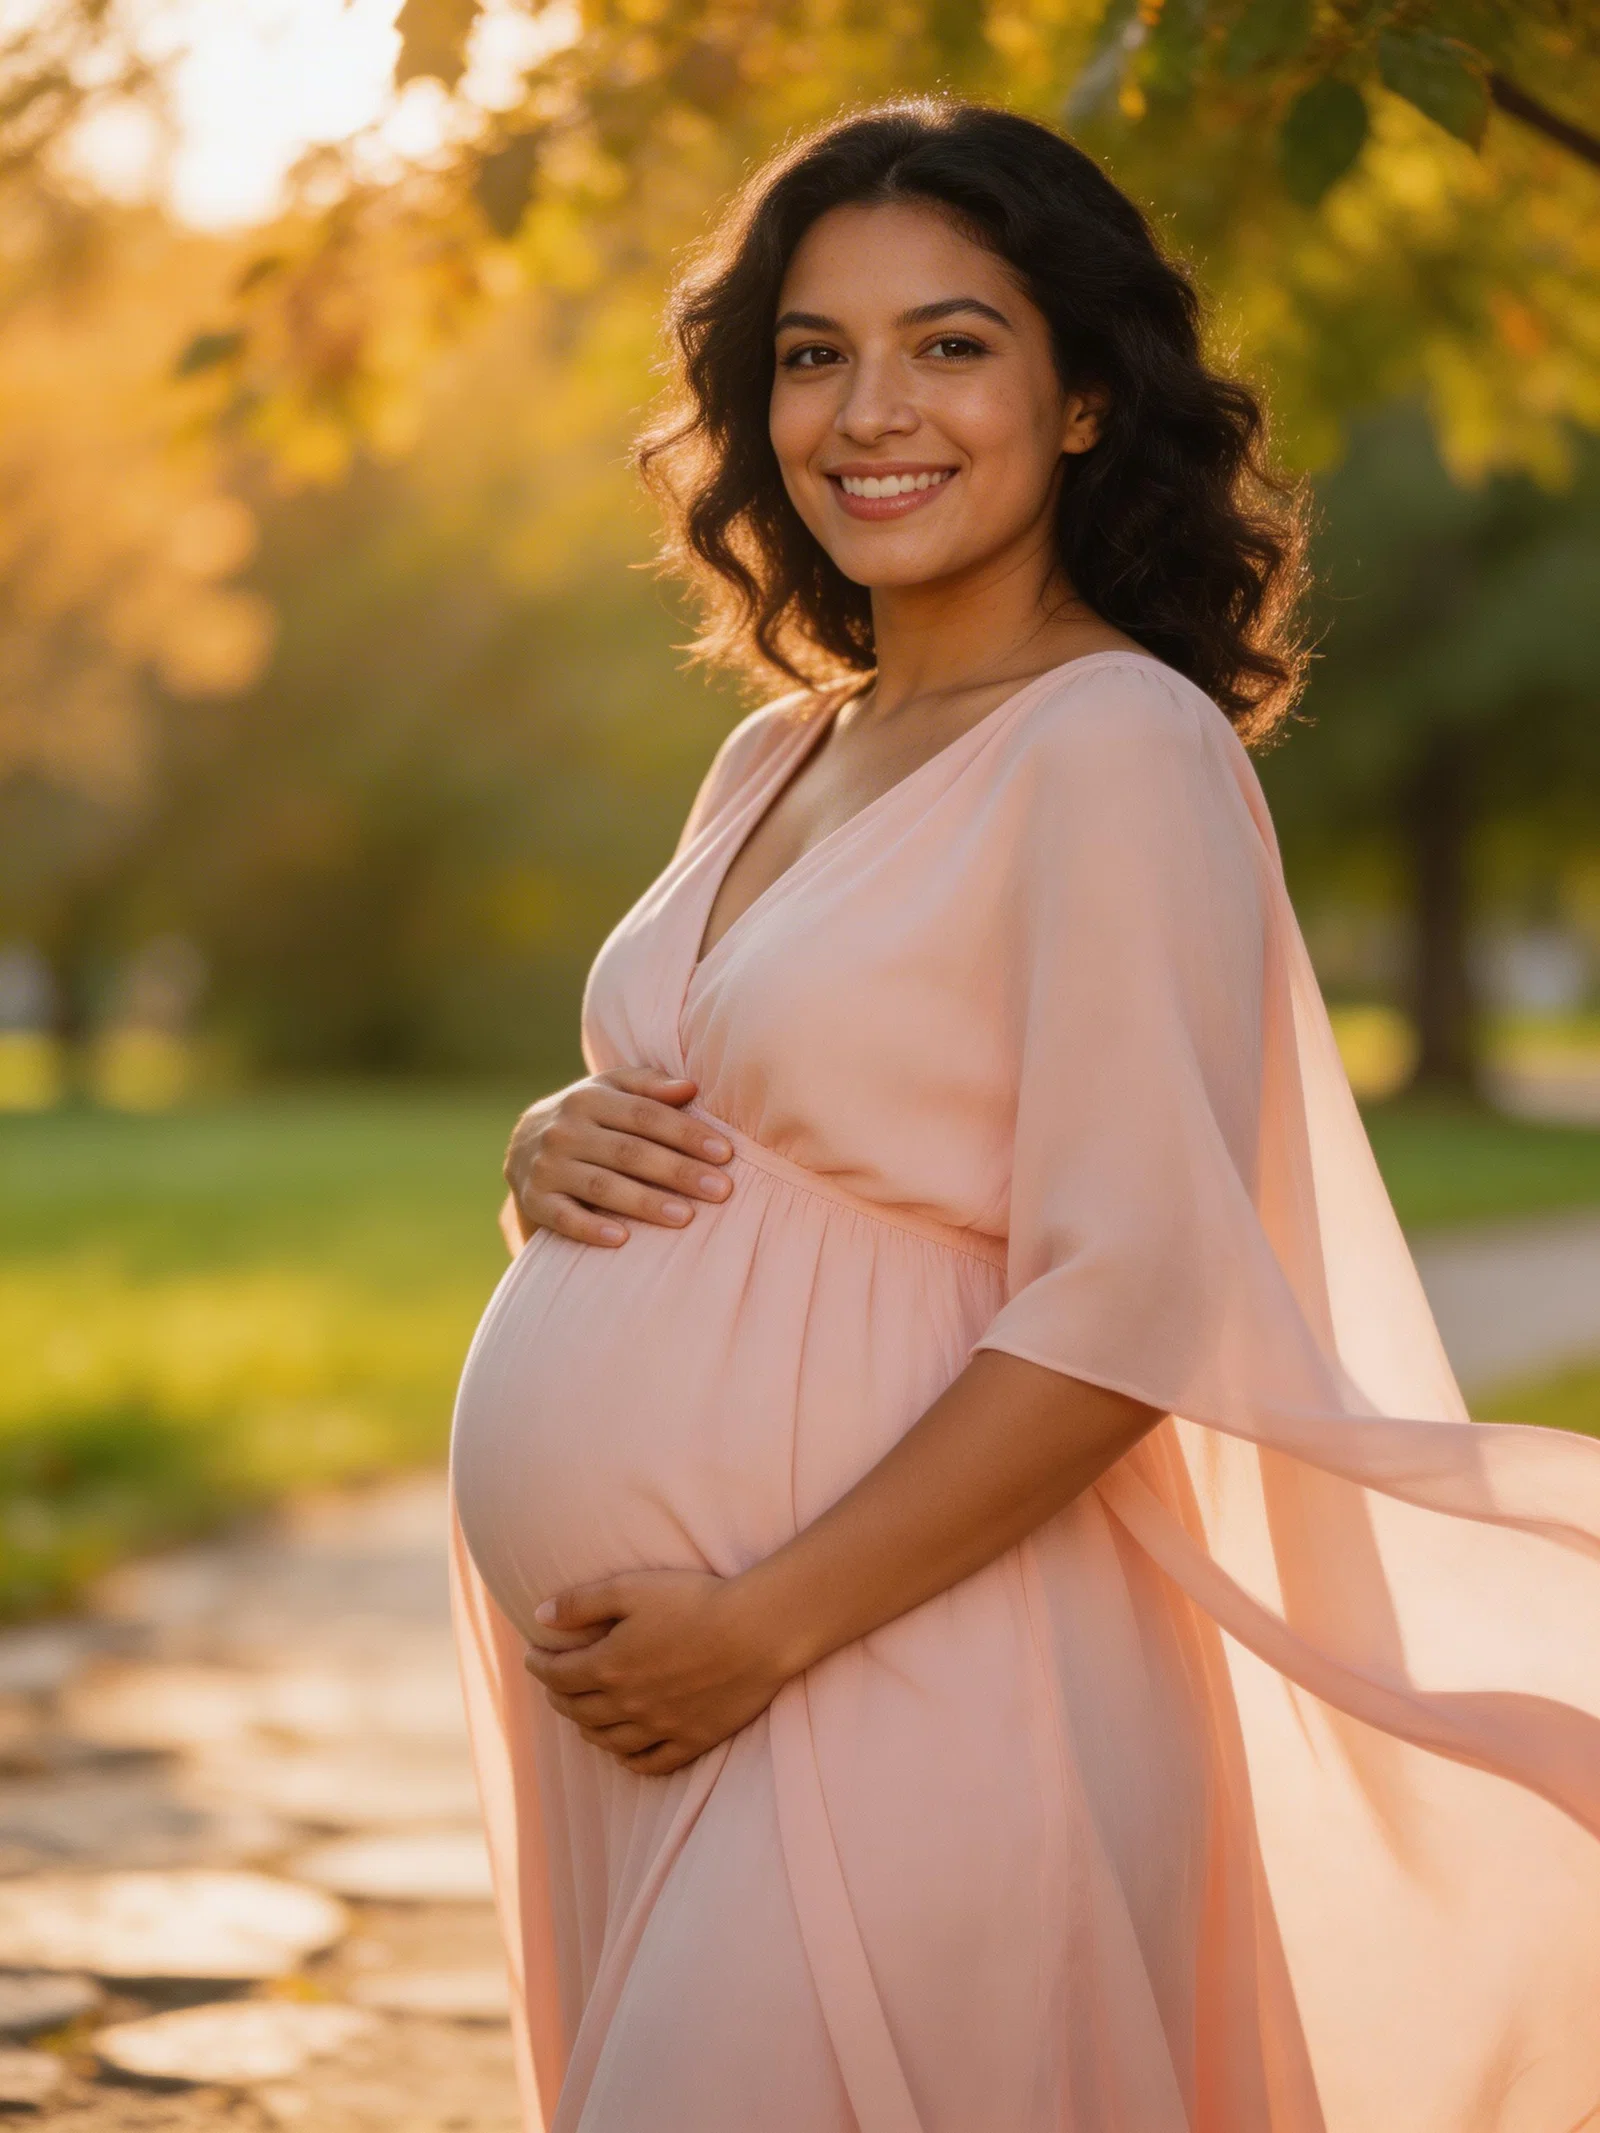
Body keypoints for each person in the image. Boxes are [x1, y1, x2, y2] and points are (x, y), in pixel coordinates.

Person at [447, 97, 1600, 2133]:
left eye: (949, 342)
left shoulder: (1117, 745)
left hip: (900, 1682)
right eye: (812, 353)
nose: (866, 409)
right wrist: (555, 1143)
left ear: (1079, 397)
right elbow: (760, 1097)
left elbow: (1133, 1292)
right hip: (679, 1701)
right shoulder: (786, 747)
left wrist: (756, 1627)